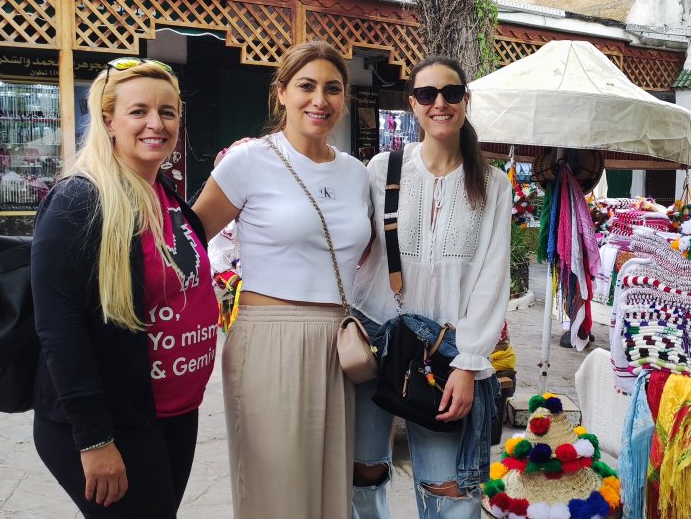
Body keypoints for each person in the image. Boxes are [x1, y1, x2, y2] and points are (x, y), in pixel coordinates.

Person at [192, 41, 372, 518]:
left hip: (338, 345)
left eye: (333, 88)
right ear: (281, 93)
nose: (320, 100)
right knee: (276, 494)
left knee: (329, 493)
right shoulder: (249, 161)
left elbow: (366, 258)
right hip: (270, 339)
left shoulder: (356, 174)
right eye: (306, 86)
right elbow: (189, 243)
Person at [31, 58, 218, 518]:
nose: (157, 123)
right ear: (109, 120)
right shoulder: (78, 200)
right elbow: (59, 330)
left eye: (168, 112)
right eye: (139, 111)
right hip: (115, 423)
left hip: (173, 413)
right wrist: (95, 439)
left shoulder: (165, 193)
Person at [351, 56, 511, 518]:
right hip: (375, 339)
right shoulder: (383, 169)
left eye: (451, 93)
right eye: (427, 94)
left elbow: (492, 278)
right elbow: (346, 239)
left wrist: (469, 362)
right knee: (364, 471)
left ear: (465, 100)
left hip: (445, 352)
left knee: (449, 488)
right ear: (413, 104)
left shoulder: (493, 184)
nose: (439, 103)